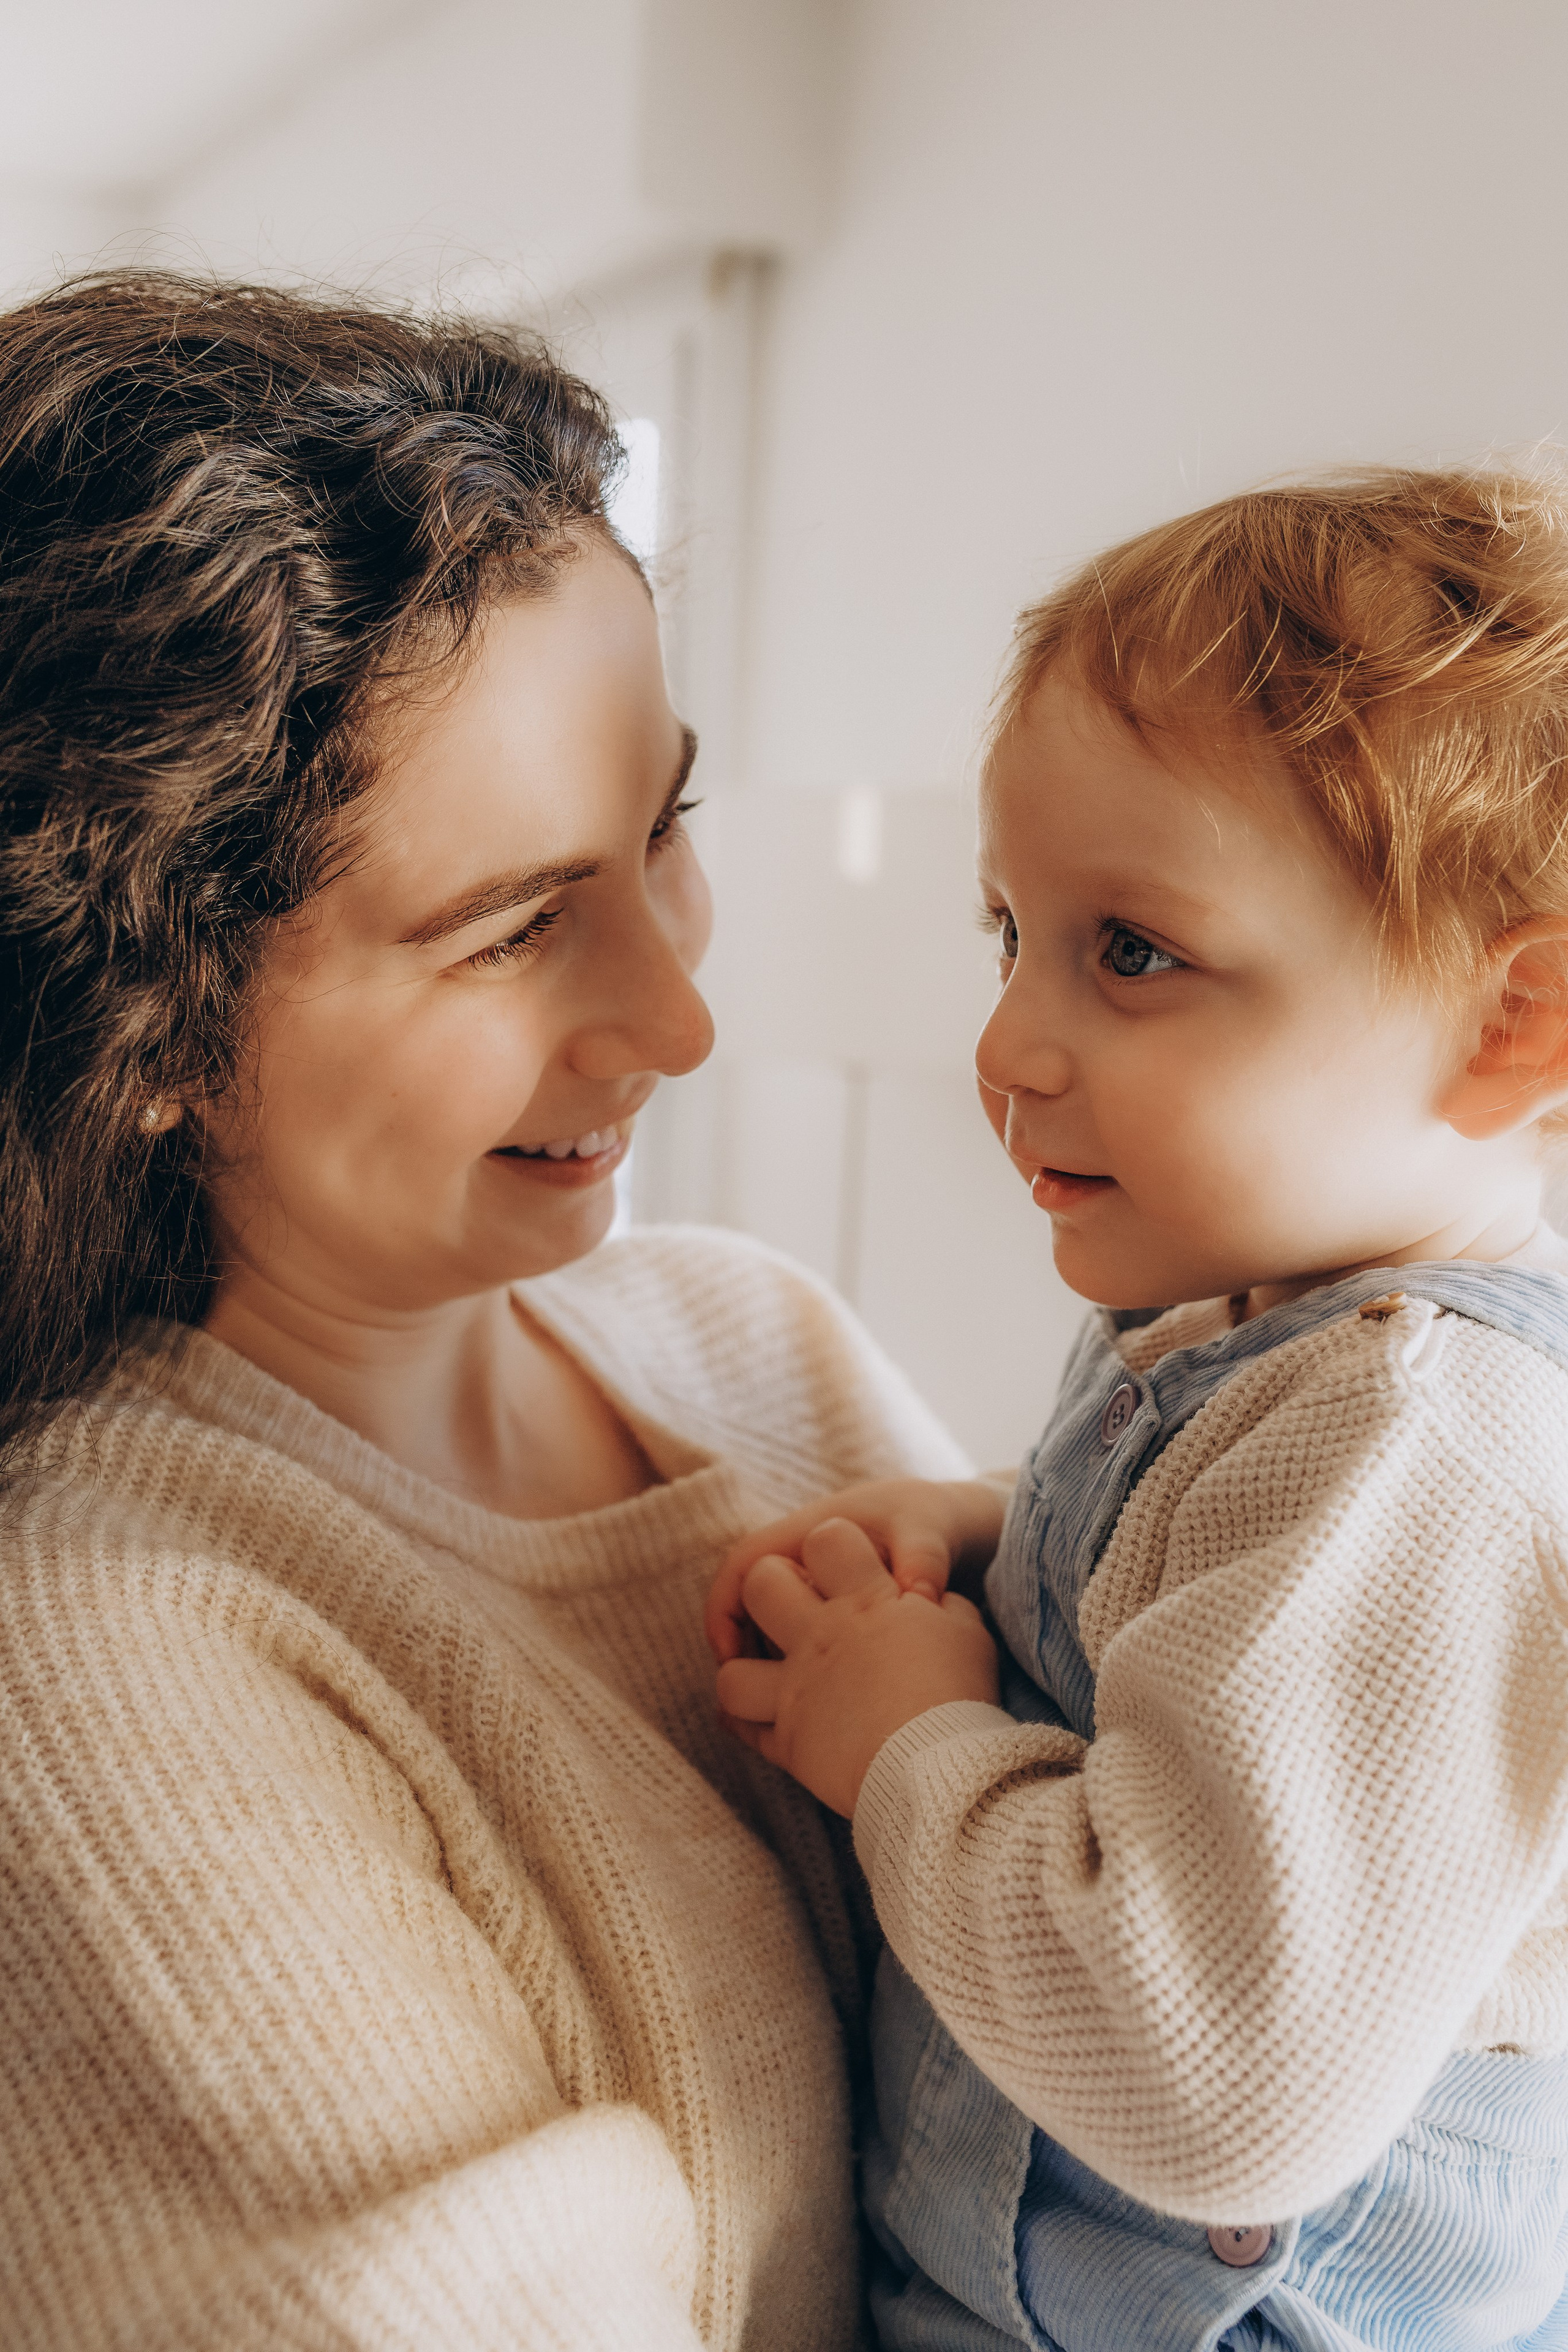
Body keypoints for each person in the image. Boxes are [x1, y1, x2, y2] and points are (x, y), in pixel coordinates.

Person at [0, 271, 973, 2352]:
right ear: (142, 1014)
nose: (683, 1019)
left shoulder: (757, 1343)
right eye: (521, 925)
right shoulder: (91, 1645)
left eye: (666, 830)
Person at [707, 470, 1568, 2350]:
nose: (1010, 1042)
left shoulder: (1418, 1451)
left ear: (1512, 1027)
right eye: (1007, 931)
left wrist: (909, 1743)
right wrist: (994, 1523)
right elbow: (1217, 1564)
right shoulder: (1250, 1321)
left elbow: (1220, 2090)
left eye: (1135, 953)